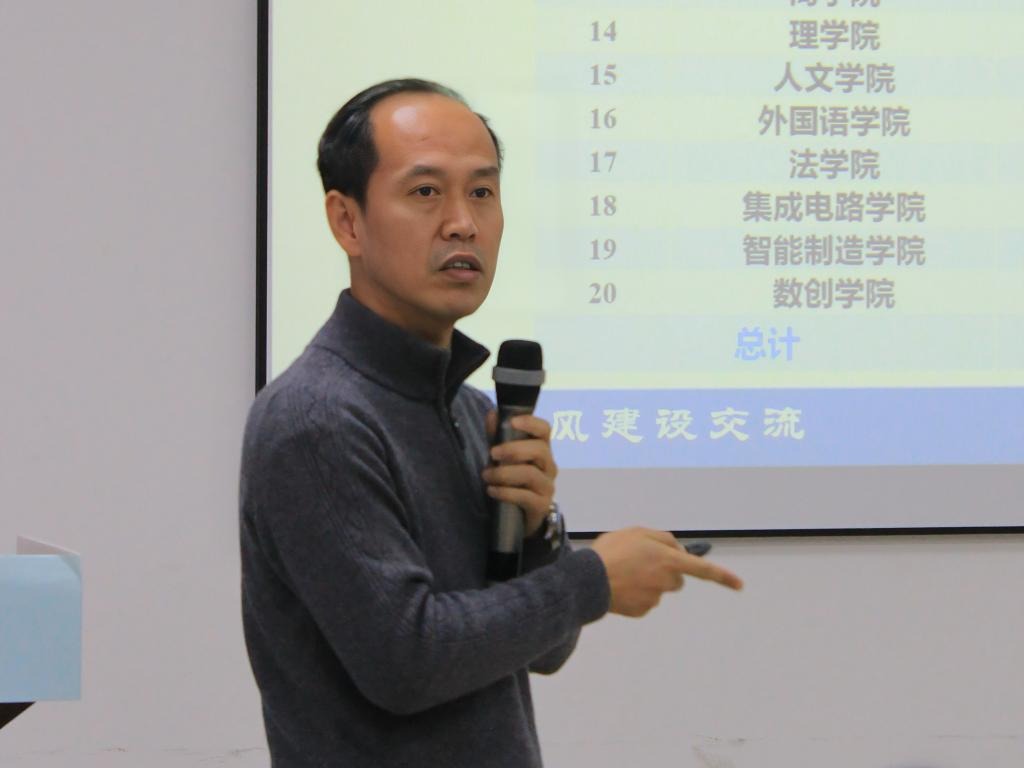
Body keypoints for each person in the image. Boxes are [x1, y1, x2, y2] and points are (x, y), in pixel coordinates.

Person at [239, 78, 742, 767]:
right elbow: (406, 661)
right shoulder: (317, 419)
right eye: (425, 191)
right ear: (347, 221)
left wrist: (536, 535)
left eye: (482, 191)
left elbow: (546, 650)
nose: (462, 223)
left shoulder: (472, 409)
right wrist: (592, 577)